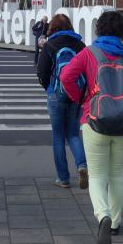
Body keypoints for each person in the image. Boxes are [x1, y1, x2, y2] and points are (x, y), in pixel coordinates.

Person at [60, 11, 123, 244]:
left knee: (98, 175)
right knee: (116, 174)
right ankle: (115, 223)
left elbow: (66, 76)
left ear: (98, 29)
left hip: (94, 120)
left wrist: (82, 99)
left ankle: (103, 215)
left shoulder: (88, 53)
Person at [35, 13, 88, 189]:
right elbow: (87, 70)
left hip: (56, 94)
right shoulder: (80, 45)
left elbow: (41, 72)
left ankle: (63, 178)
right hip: (76, 94)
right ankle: (82, 166)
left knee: (58, 137)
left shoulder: (50, 45)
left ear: (53, 28)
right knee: (73, 134)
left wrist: (49, 89)